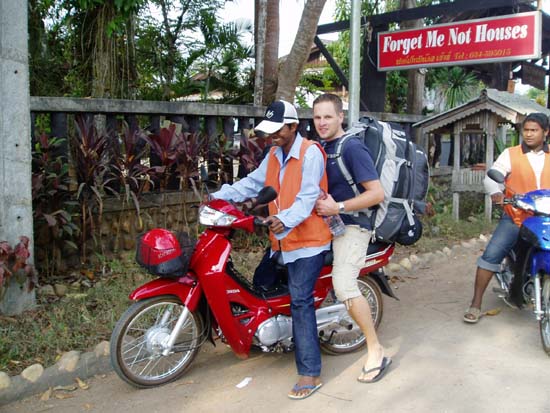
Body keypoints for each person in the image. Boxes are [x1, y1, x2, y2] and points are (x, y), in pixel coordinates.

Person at [210, 100, 331, 400]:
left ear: (294, 127)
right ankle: (281, 337)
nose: (272, 136)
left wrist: (284, 219)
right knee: (261, 286)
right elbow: (252, 184)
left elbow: (306, 199)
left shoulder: (310, 153)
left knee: (300, 301)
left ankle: (310, 372)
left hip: (309, 242)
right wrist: (217, 197)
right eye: (269, 131)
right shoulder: (274, 154)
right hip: (281, 241)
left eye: (278, 130)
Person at [313, 93, 391, 383]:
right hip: (326, 224)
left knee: (344, 285)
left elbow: (377, 193)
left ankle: (376, 350)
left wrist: (340, 207)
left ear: (340, 117)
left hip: (353, 225)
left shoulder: (352, 147)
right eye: (318, 117)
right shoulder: (320, 147)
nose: (322, 122)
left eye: (328, 117)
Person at [463, 112, 550, 323]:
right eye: (526, 130)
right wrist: (497, 193)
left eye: (534, 130)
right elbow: (494, 175)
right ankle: (475, 304)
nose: (528, 135)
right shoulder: (511, 154)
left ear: (545, 133)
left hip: (546, 219)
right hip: (517, 216)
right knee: (492, 254)